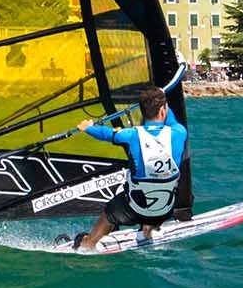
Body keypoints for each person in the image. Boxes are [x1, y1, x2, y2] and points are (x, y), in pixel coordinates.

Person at [68, 84, 186, 253]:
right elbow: (171, 120)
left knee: (110, 212)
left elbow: (106, 134)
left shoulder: (131, 135)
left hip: (134, 210)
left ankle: (89, 243)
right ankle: (148, 230)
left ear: (142, 112)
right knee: (161, 191)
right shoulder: (179, 132)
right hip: (165, 210)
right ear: (163, 111)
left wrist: (88, 127)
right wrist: (163, 99)